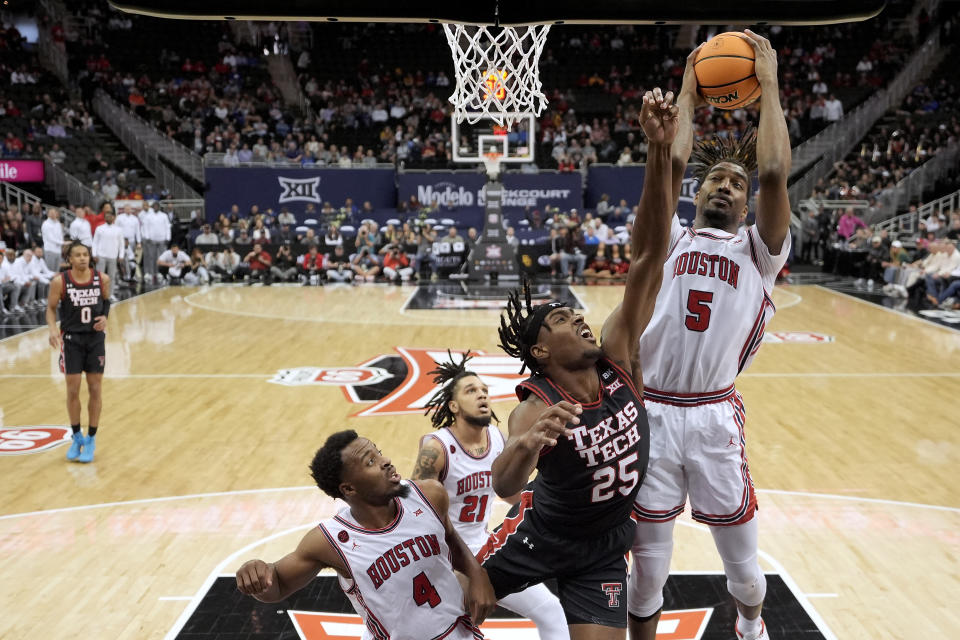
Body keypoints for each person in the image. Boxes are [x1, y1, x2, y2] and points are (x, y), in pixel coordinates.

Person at [479, 88, 678, 639]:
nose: (581, 319)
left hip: (604, 547)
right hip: (538, 537)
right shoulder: (536, 404)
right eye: (563, 320)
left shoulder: (619, 359)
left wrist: (658, 152)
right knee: (445, 610)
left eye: (576, 313)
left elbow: (648, 258)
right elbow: (504, 485)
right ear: (541, 352)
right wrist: (525, 444)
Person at [625, 32, 791, 640]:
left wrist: (768, 83)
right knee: (647, 571)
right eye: (714, 179)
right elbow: (668, 162)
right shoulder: (667, 240)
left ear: (746, 205)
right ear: (697, 193)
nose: (724, 185)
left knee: (743, 571)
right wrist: (690, 87)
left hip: (715, 417)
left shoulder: (758, 252)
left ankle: (751, 626)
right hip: (654, 414)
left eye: (734, 184)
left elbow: (773, 171)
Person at [235, 430, 496, 639]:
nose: (386, 461)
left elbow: (451, 541)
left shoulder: (429, 494)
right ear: (349, 488)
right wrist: (255, 574)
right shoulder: (331, 541)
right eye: (370, 461)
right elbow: (277, 585)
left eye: (379, 453)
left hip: (457, 632)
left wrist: (477, 573)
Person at [412, 352, 570, 640]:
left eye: (485, 390)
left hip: (483, 547)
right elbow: (415, 513)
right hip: (445, 556)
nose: (482, 395)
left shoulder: (497, 439)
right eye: (471, 391)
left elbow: (509, 493)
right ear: (453, 405)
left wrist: (551, 517)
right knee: (412, 626)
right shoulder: (437, 447)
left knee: (550, 610)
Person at [45, 241, 111, 464]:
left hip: (95, 340)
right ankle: (76, 436)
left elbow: (106, 302)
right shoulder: (60, 282)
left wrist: (105, 318)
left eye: (86, 254)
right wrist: (53, 329)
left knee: (95, 388)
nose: (83, 258)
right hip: (71, 340)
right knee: (72, 389)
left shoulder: (102, 279)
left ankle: (91, 437)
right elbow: (51, 309)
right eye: (78, 255)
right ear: (69, 259)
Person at [92, 211, 124, 300]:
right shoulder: (99, 228)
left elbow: (121, 244)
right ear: (105, 218)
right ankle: (98, 294)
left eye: (110, 216)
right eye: (107, 216)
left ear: (114, 218)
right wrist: (94, 254)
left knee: (112, 276)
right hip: (101, 255)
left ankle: (110, 294)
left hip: (113, 256)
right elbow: (95, 242)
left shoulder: (118, 229)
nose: (108, 218)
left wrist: (121, 255)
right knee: (99, 276)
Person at [41, 207, 64, 273]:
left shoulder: (58, 224)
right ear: (48, 214)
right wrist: (62, 242)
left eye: (54, 213)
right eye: (51, 213)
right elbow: (50, 238)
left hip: (58, 251)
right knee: (50, 271)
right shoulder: (46, 224)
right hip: (50, 250)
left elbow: (60, 236)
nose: (53, 214)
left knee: (57, 271)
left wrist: (61, 244)